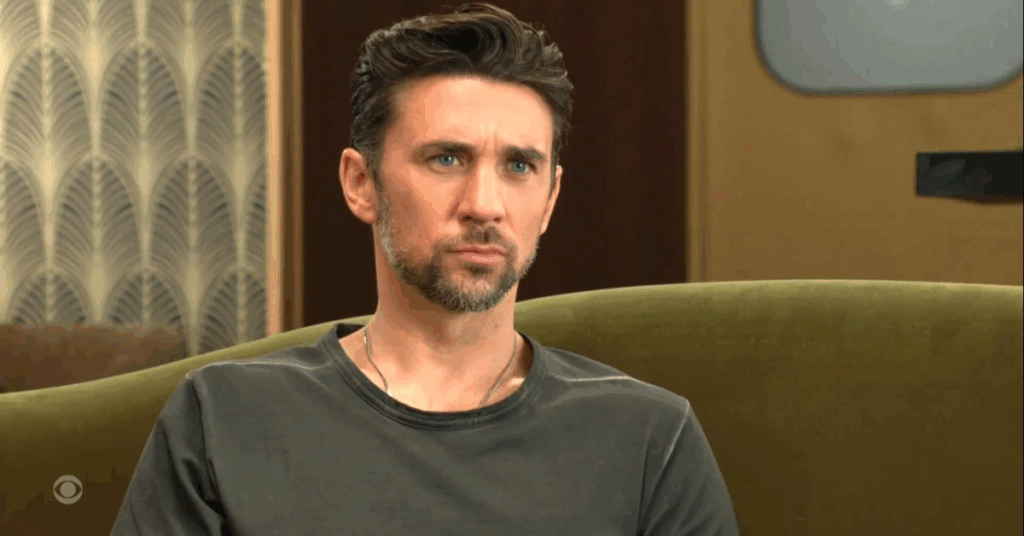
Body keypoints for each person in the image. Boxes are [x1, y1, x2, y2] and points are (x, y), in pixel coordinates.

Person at [111, 3, 740, 534]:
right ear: (361, 183)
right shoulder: (224, 416)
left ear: (549, 199)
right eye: (446, 159)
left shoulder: (650, 438)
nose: (484, 205)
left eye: (519, 166)